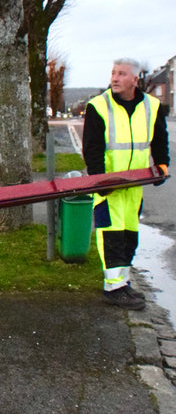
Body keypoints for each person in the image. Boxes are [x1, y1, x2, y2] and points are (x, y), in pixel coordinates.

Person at [82, 58, 169, 310]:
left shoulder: (152, 106)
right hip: (107, 186)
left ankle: (123, 283)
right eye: (113, 73)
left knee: (129, 234)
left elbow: (159, 140)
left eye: (121, 74)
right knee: (111, 235)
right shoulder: (99, 106)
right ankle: (114, 288)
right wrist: (99, 179)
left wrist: (162, 166)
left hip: (134, 186)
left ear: (135, 78)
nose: (115, 78)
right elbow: (92, 149)